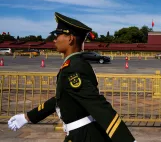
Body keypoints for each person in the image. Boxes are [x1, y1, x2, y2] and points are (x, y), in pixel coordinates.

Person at [7, 12, 136, 142]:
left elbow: (98, 106)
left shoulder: (72, 68)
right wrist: (28, 117)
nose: (54, 39)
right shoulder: (75, 64)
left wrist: (127, 140)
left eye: (58, 35)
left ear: (70, 39)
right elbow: (61, 98)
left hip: (84, 136)